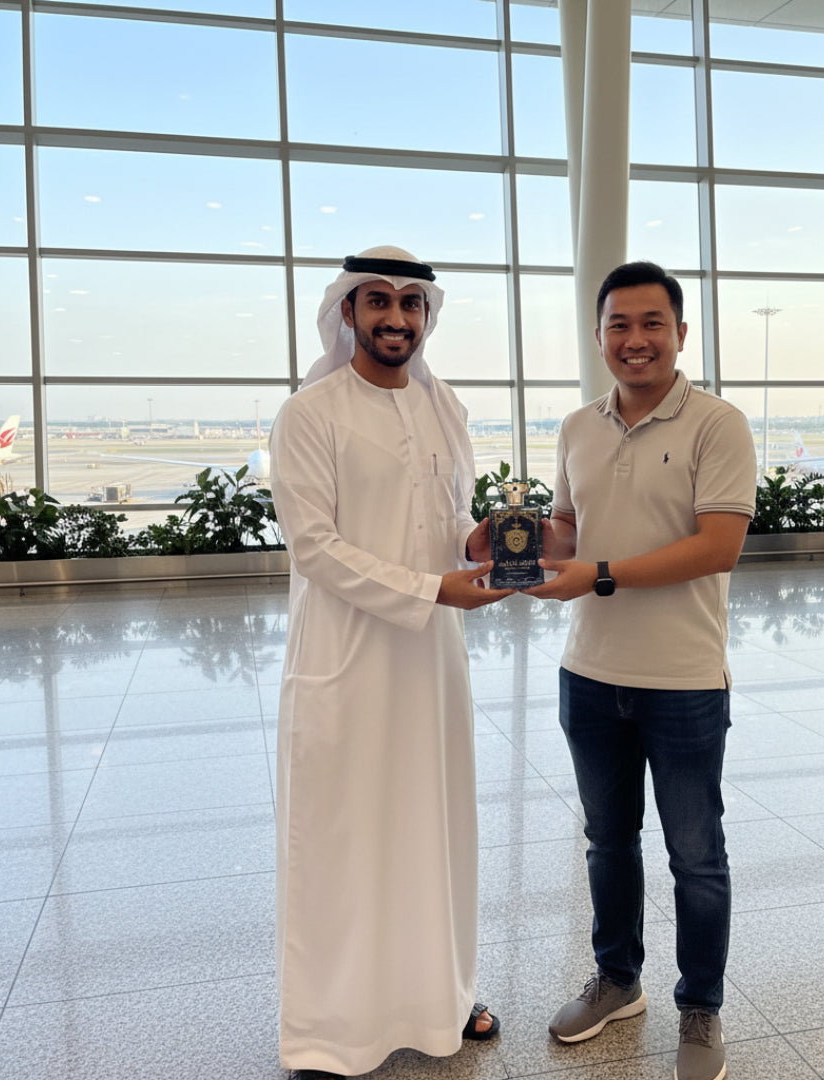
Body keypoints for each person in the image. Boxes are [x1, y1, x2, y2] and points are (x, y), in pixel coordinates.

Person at [269, 245, 513, 1078]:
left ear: (427, 317)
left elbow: (444, 523)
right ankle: (328, 1030)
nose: (396, 319)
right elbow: (316, 548)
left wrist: (481, 544)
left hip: (430, 661)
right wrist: (431, 587)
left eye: (412, 305)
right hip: (347, 656)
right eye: (378, 302)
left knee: (434, 823)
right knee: (343, 834)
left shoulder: (444, 407)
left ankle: (439, 998)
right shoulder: (310, 414)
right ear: (348, 313)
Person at [526, 261, 757, 1080]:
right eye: (618, 325)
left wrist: (601, 572)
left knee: (696, 853)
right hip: (588, 671)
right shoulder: (576, 427)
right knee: (607, 843)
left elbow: (716, 545)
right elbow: (565, 528)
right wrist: (515, 545)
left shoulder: (716, 424)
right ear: (598, 339)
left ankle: (701, 1012)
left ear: (680, 334)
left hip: (685, 678)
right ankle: (619, 980)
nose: (635, 340)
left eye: (651, 323)